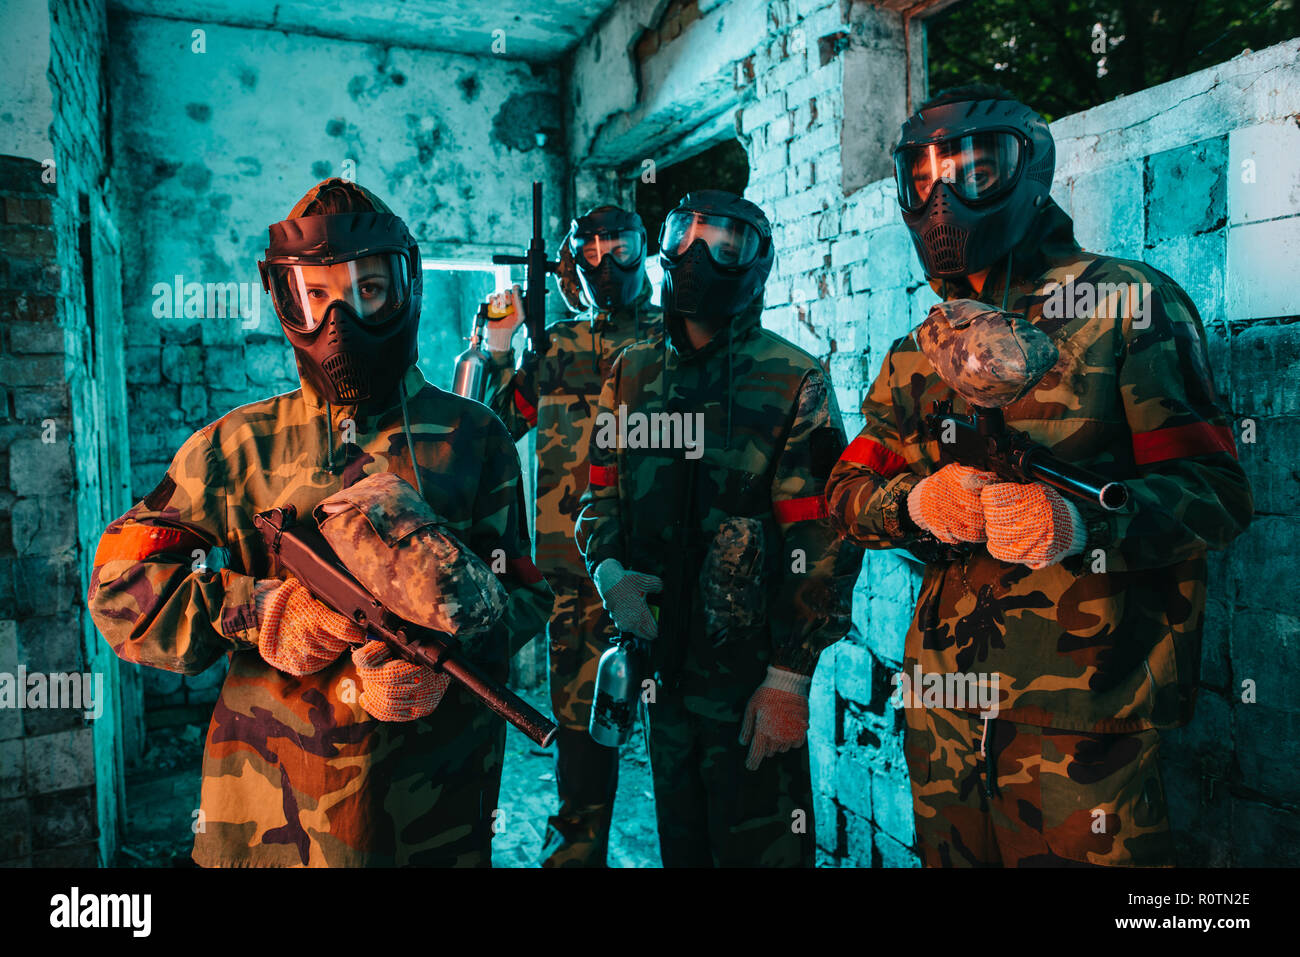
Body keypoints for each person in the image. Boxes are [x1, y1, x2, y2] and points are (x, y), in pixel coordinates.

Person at [825, 85, 1253, 866]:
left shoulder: (1127, 307)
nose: (943, 197)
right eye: (921, 179)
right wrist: (915, 505)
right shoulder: (915, 353)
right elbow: (843, 495)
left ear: (1028, 171)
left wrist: (1084, 523)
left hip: (1085, 731)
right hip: (944, 713)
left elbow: (1218, 497)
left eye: (972, 172)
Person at [87, 178, 553, 867]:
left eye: (369, 290)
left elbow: (522, 592)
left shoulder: (473, 436)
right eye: (318, 295)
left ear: (406, 288)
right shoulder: (238, 445)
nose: (344, 319)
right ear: (286, 301)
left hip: (435, 819)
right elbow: (116, 585)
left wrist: (448, 663)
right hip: (270, 821)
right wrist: (257, 611)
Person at [575, 190, 863, 866]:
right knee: (683, 846)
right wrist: (607, 570)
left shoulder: (793, 378)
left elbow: (822, 542)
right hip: (661, 674)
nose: (698, 257)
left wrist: (790, 675)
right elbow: (596, 499)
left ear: (754, 262)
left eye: (723, 245)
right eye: (684, 238)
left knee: (762, 851)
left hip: (750, 688)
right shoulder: (631, 373)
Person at [482, 205, 662, 867]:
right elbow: (494, 427)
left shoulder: (676, 338)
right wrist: (498, 347)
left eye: (623, 251)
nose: (609, 266)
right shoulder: (554, 349)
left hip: (662, 571)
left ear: (643, 255)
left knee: (678, 735)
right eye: (592, 253)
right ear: (570, 266)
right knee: (584, 740)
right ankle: (575, 854)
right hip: (577, 580)